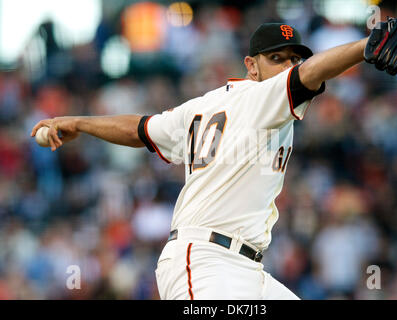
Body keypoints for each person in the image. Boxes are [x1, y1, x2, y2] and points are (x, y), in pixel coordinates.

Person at [30, 22, 374, 299]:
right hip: (208, 263)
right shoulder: (261, 97)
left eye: (293, 59)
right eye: (277, 58)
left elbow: (139, 129)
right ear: (251, 67)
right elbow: (310, 74)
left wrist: (77, 122)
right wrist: (368, 46)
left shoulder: (201, 106)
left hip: (246, 270)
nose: (288, 66)